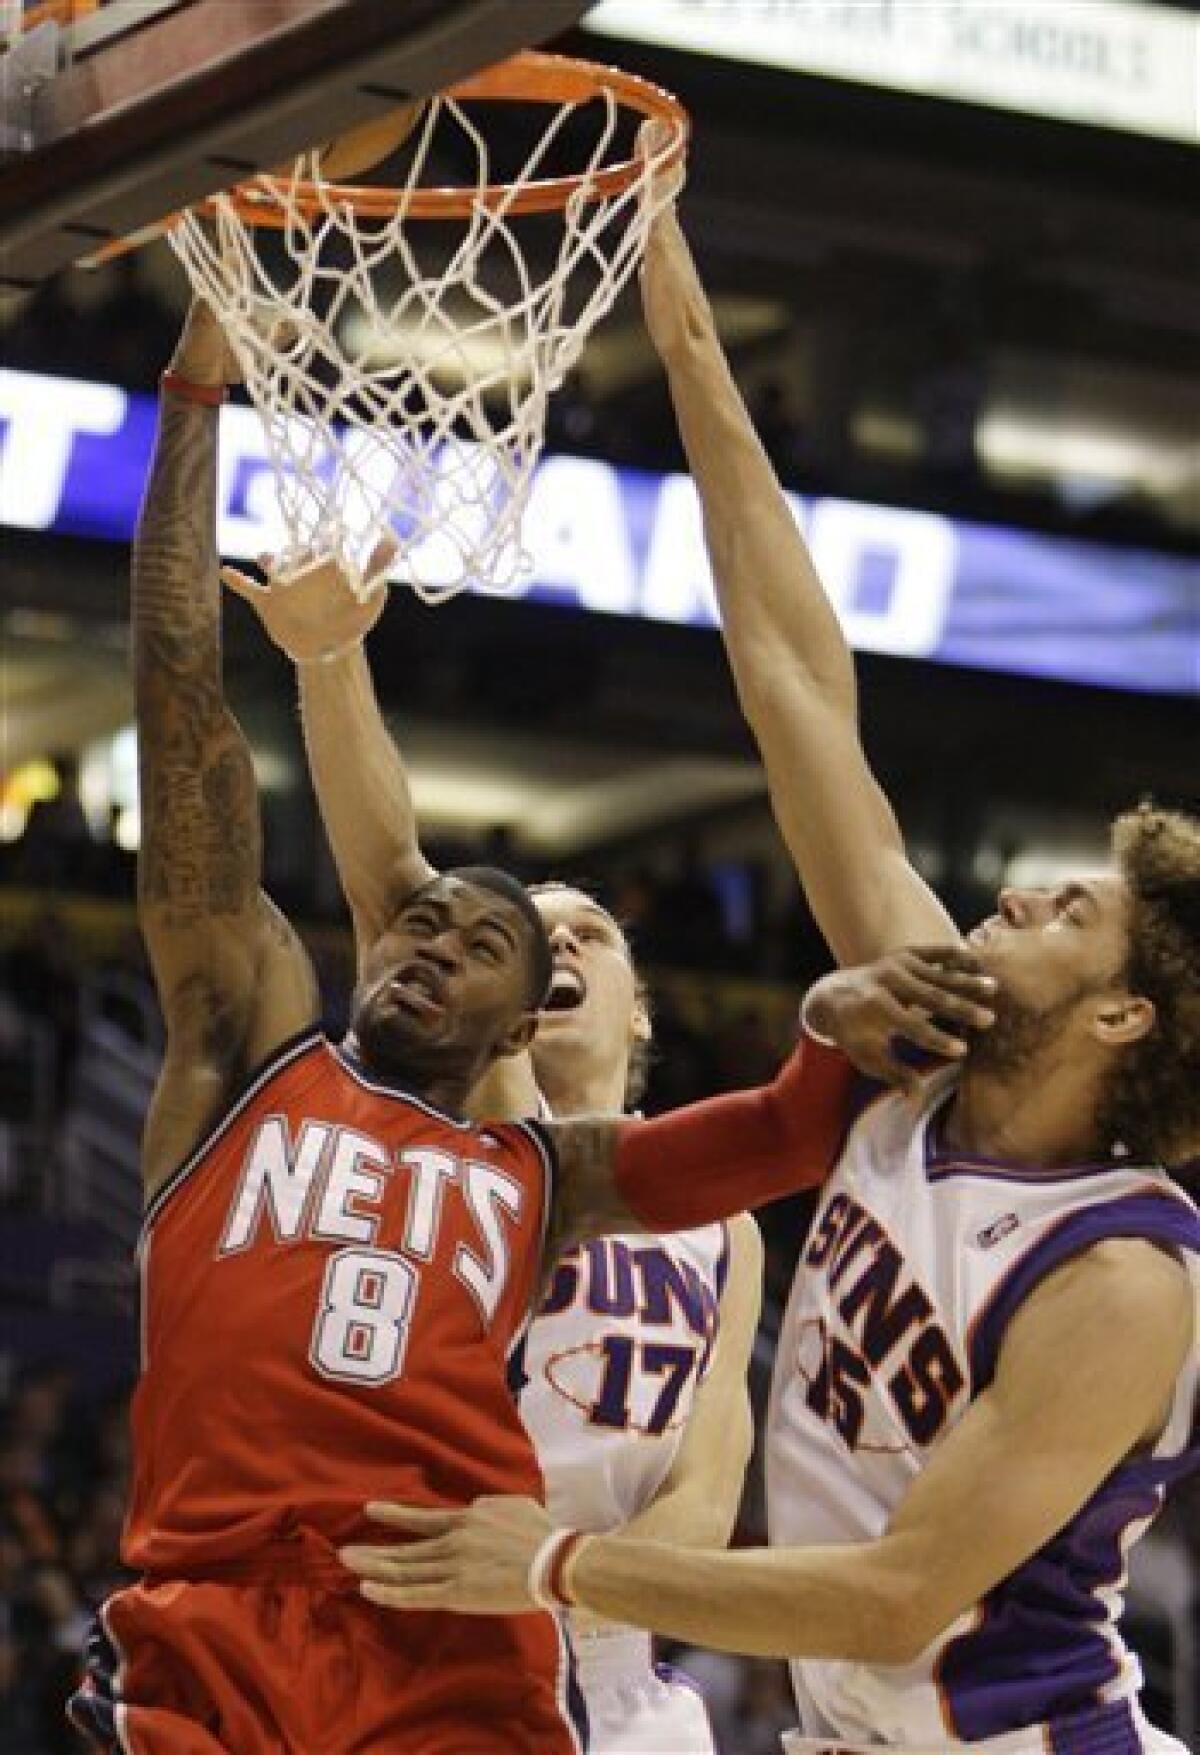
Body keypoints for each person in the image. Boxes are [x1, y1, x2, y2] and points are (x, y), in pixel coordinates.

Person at [340, 151, 1200, 1755]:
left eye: (1067, 912)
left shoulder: (1123, 1275)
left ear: (1128, 1013)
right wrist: (682, 329)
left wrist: (553, 1559)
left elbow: (896, 1594)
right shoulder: (931, 1022)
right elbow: (799, 680)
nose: (1011, 898)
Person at [65, 299, 991, 1755]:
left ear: (540, 998)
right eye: (421, 922)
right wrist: (192, 396)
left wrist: (832, 1019)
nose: (435, 942)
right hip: (223, 1617)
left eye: (493, 939)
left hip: (486, 1634)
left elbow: (772, 1139)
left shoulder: (548, 1176)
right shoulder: (251, 1053)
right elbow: (180, 693)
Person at [220, 565, 762, 1755]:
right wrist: (327, 656)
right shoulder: (484, 1120)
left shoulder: (727, 1232)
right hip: (433, 1622)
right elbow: (388, 875)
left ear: (639, 1016)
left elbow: (706, 1496)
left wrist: (568, 1577)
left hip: (613, 1654)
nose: (559, 938)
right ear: (508, 1014)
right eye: (532, 937)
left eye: (593, 933)